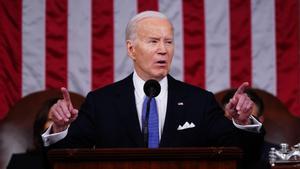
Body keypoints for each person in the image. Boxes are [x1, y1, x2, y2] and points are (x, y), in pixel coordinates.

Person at [42, 11, 264, 166]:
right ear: (131, 49)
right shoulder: (101, 102)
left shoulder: (199, 101)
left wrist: (242, 123)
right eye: (153, 41)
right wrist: (59, 129)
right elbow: (60, 160)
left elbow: (243, 156)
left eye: (168, 42)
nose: (163, 50)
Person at [221, 89, 278, 169]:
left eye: (246, 118)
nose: (238, 124)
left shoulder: (277, 156)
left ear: (260, 121)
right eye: (232, 118)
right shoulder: (210, 154)